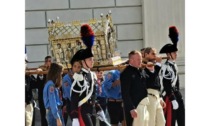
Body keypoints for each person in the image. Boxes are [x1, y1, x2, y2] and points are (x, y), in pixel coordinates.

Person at [70, 24, 106, 126]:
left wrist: (98, 108)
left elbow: (93, 94)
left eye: (93, 59)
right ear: (83, 61)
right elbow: (74, 98)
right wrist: (74, 117)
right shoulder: (79, 76)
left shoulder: (93, 75)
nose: (92, 61)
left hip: (92, 110)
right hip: (83, 110)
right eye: (90, 59)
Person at [120, 50, 149, 126]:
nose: (141, 61)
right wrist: (131, 108)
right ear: (131, 60)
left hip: (143, 105)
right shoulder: (126, 73)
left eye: (141, 59)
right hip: (135, 107)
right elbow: (125, 93)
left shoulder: (141, 70)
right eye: (138, 59)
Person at [159, 44, 185, 126]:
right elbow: (166, 85)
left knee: (181, 119)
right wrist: (173, 99)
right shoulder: (166, 67)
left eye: (175, 52)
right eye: (174, 52)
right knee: (171, 121)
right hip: (170, 97)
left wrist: (179, 95)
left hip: (177, 95)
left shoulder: (174, 65)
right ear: (168, 54)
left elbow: (177, 83)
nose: (176, 54)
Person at [143, 47, 166, 126]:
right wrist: (158, 64)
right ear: (146, 54)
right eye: (153, 54)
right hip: (149, 96)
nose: (155, 56)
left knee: (161, 122)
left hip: (156, 96)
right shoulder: (143, 66)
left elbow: (157, 84)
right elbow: (150, 79)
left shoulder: (154, 66)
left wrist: (160, 97)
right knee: (151, 122)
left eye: (155, 54)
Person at [62, 52, 82, 125]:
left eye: (79, 67)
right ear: (72, 66)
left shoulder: (81, 76)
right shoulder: (67, 78)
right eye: (75, 66)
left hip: (81, 103)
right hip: (72, 103)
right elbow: (69, 94)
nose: (76, 69)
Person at [36, 55, 52, 126]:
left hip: (51, 97)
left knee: (52, 115)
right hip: (42, 97)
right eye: (46, 61)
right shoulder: (41, 70)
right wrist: (41, 74)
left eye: (49, 61)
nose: (47, 63)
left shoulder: (53, 72)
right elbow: (38, 85)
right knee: (43, 116)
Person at [25, 58, 37, 126]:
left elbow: (36, 84)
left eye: (25, 63)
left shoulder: (28, 76)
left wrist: (40, 74)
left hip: (28, 105)